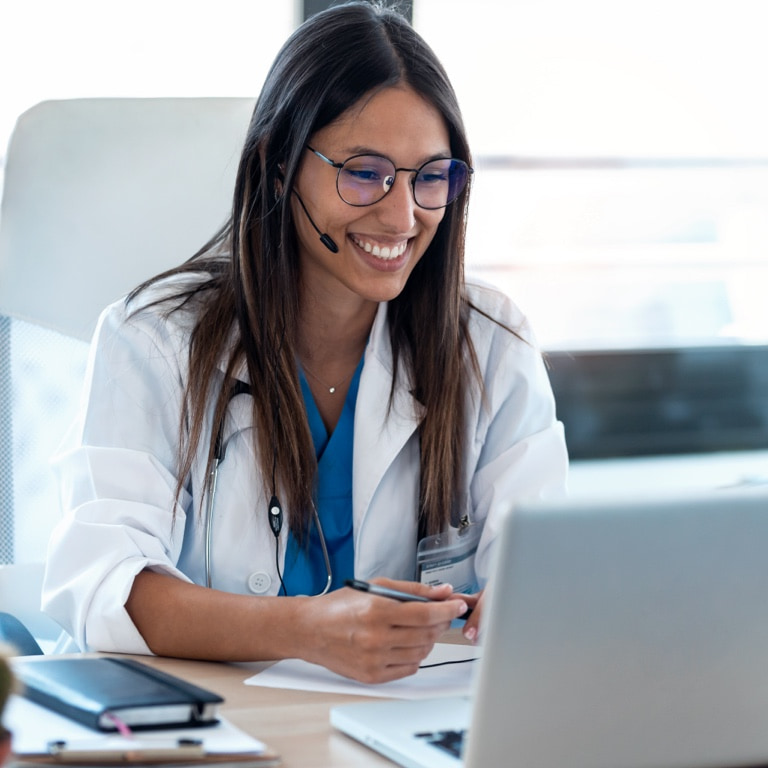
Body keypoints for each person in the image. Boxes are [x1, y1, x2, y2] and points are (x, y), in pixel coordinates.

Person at [42, 1, 568, 683]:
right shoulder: (154, 342)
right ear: (279, 166)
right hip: (207, 729)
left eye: (430, 177)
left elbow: (546, 564)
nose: (403, 215)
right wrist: (310, 630)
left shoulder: (490, 345)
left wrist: (527, 606)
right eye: (363, 171)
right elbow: (102, 585)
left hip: (406, 734)